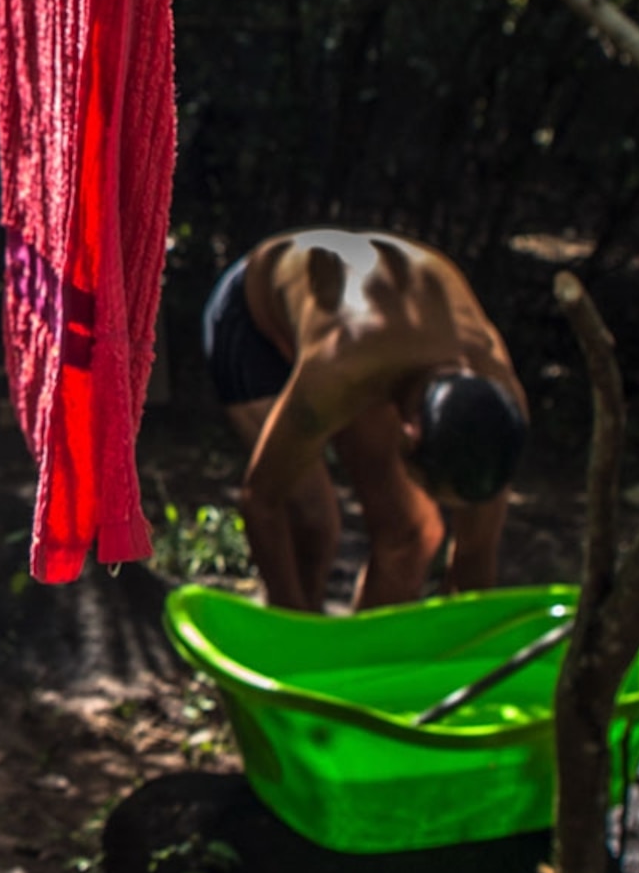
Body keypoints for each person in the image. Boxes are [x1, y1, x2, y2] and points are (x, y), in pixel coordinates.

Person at [202, 229, 527, 613]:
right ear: (408, 439)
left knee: (412, 537)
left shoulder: (497, 411)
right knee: (313, 524)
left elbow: (475, 569)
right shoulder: (339, 374)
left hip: (383, 343)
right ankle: (302, 650)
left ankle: (363, 665)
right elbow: (261, 501)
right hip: (255, 323)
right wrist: (292, 627)